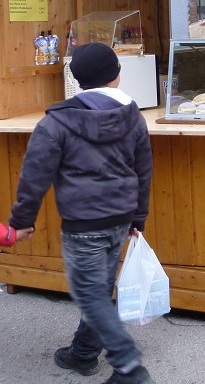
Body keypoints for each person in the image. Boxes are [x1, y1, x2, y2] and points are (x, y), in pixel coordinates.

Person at [8, 42, 154, 384]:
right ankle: (84, 353)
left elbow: (34, 176)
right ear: (118, 75)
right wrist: (138, 218)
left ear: (77, 81)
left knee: (90, 293)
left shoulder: (55, 122)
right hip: (120, 219)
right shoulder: (132, 114)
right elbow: (143, 169)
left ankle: (129, 367)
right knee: (99, 288)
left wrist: (21, 223)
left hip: (83, 224)